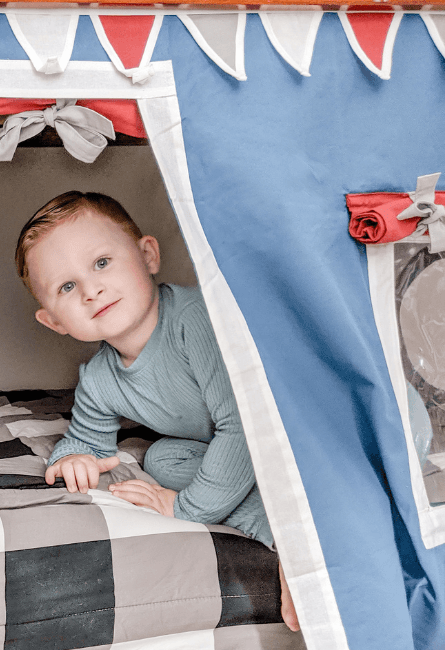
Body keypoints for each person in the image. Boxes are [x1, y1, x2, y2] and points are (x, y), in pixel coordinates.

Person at [15, 191, 299, 632]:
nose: (92, 290)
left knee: (212, 463)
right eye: (67, 287)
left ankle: (298, 539)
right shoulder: (99, 378)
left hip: (304, 430)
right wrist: (72, 458)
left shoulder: (196, 320)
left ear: (147, 255)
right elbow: (88, 440)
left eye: (102, 263)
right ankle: (279, 521)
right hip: (244, 450)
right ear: (55, 321)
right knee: (161, 458)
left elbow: (246, 428)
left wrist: (186, 509)